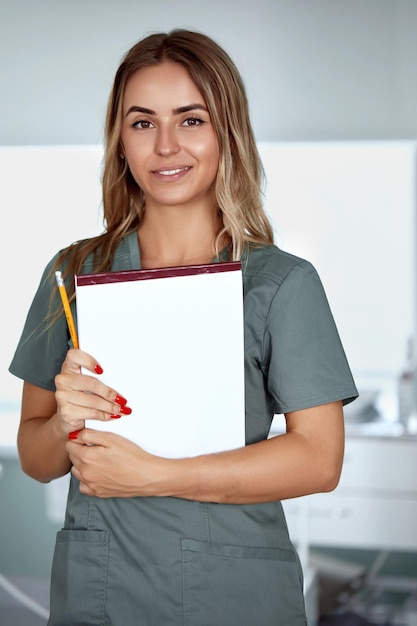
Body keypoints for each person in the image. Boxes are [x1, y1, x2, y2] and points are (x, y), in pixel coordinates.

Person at [9, 29, 358, 625]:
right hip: (100, 588)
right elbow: (37, 458)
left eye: (191, 120)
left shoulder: (281, 284)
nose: (166, 146)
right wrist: (64, 421)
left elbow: (319, 460)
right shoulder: (73, 273)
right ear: (120, 142)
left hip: (234, 591)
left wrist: (157, 477)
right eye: (142, 123)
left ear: (227, 133)